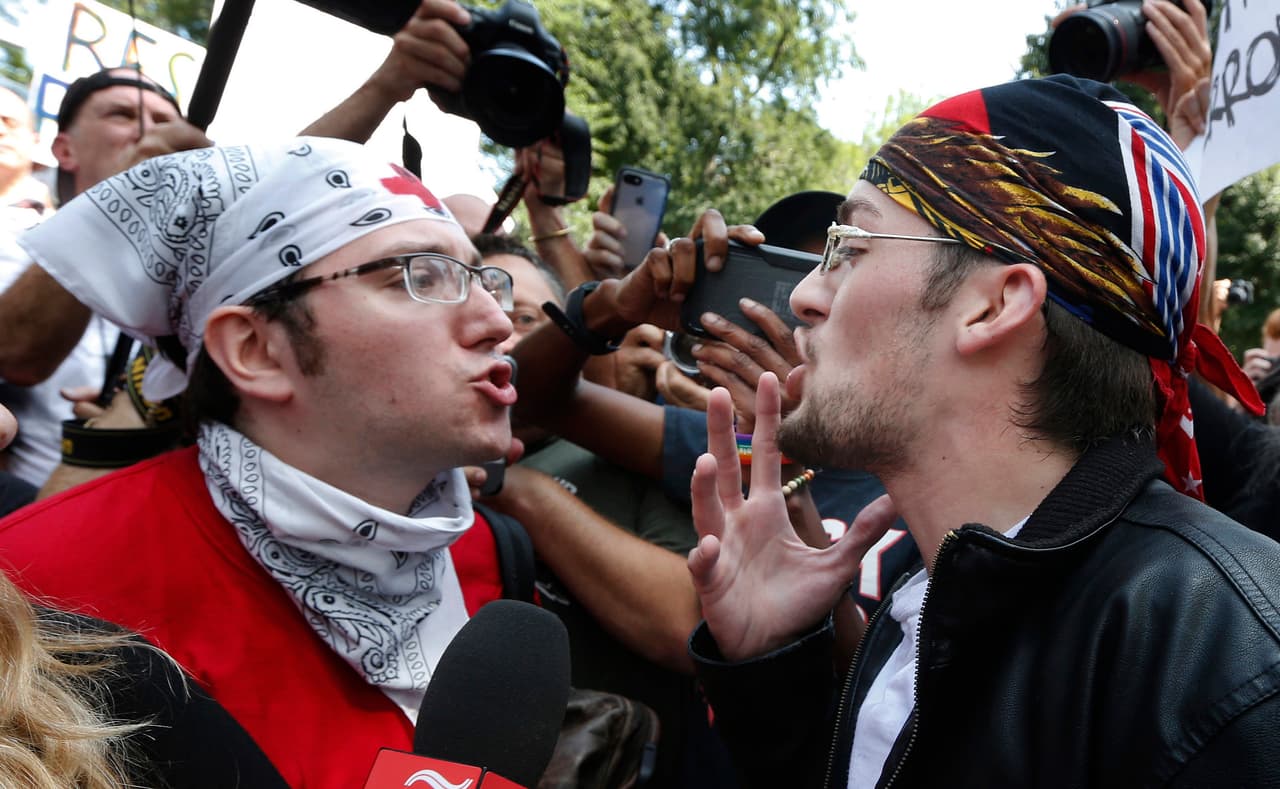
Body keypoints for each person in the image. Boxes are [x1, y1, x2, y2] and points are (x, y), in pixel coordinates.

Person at [649, 74, 1279, 787]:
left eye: (850, 246)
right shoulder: (923, 604)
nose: (803, 294)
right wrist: (778, 668)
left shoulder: (1225, 666)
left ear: (993, 305)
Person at [0, 137, 529, 787]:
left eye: (483, 279)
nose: (497, 321)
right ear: (254, 349)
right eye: (415, 275)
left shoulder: (493, 558)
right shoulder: (36, 582)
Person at [0, 69, 211, 487]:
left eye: (166, 123)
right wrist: (124, 199)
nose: (150, 132)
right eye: (122, 115)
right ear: (65, 149)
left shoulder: (196, 270)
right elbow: (15, 356)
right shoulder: (13, 238)